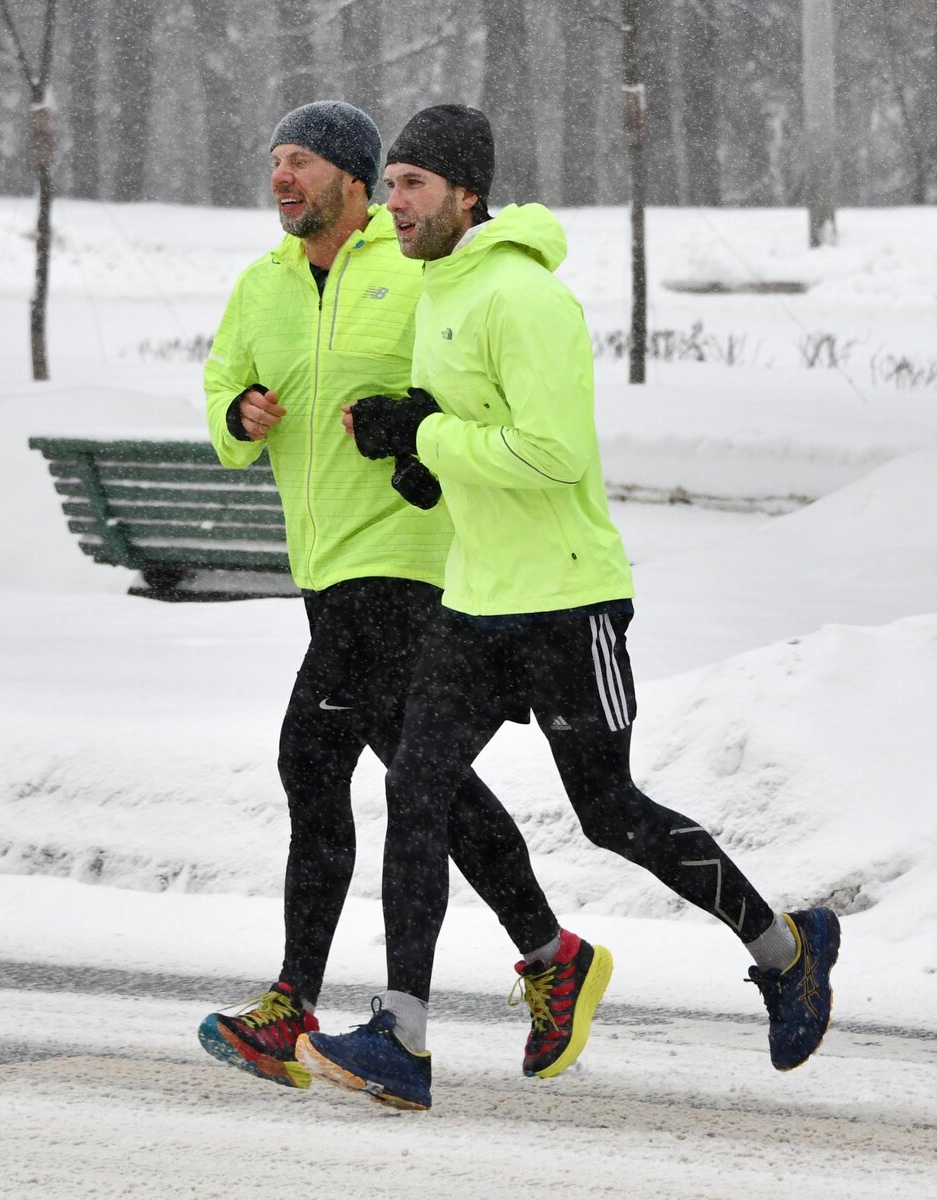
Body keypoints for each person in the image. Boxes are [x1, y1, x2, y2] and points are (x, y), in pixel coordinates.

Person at [295, 104, 840, 1110]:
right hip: (477, 601)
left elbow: (548, 455)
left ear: (466, 194)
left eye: (414, 184)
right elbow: (457, 442)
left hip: (568, 601)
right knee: (415, 794)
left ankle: (787, 950)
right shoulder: (437, 290)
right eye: (395, 183)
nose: (396, 203)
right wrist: (403, 444)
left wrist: (432, 438)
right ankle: (400, 1039)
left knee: (611, 813)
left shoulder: (525, 299)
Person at [196, 101, 611, 1101]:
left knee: (317, 754)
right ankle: (551, 953)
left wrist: (418, 430)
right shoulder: (263, 285)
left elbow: (462, 381)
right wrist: (237, 412)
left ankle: (295, 1004)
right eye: (274, 163)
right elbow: (222, 398)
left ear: (350, 175)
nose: (282, 178)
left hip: (412, 559)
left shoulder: (413, 263)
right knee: (411, 776)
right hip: (325, 563)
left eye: (300, 162)